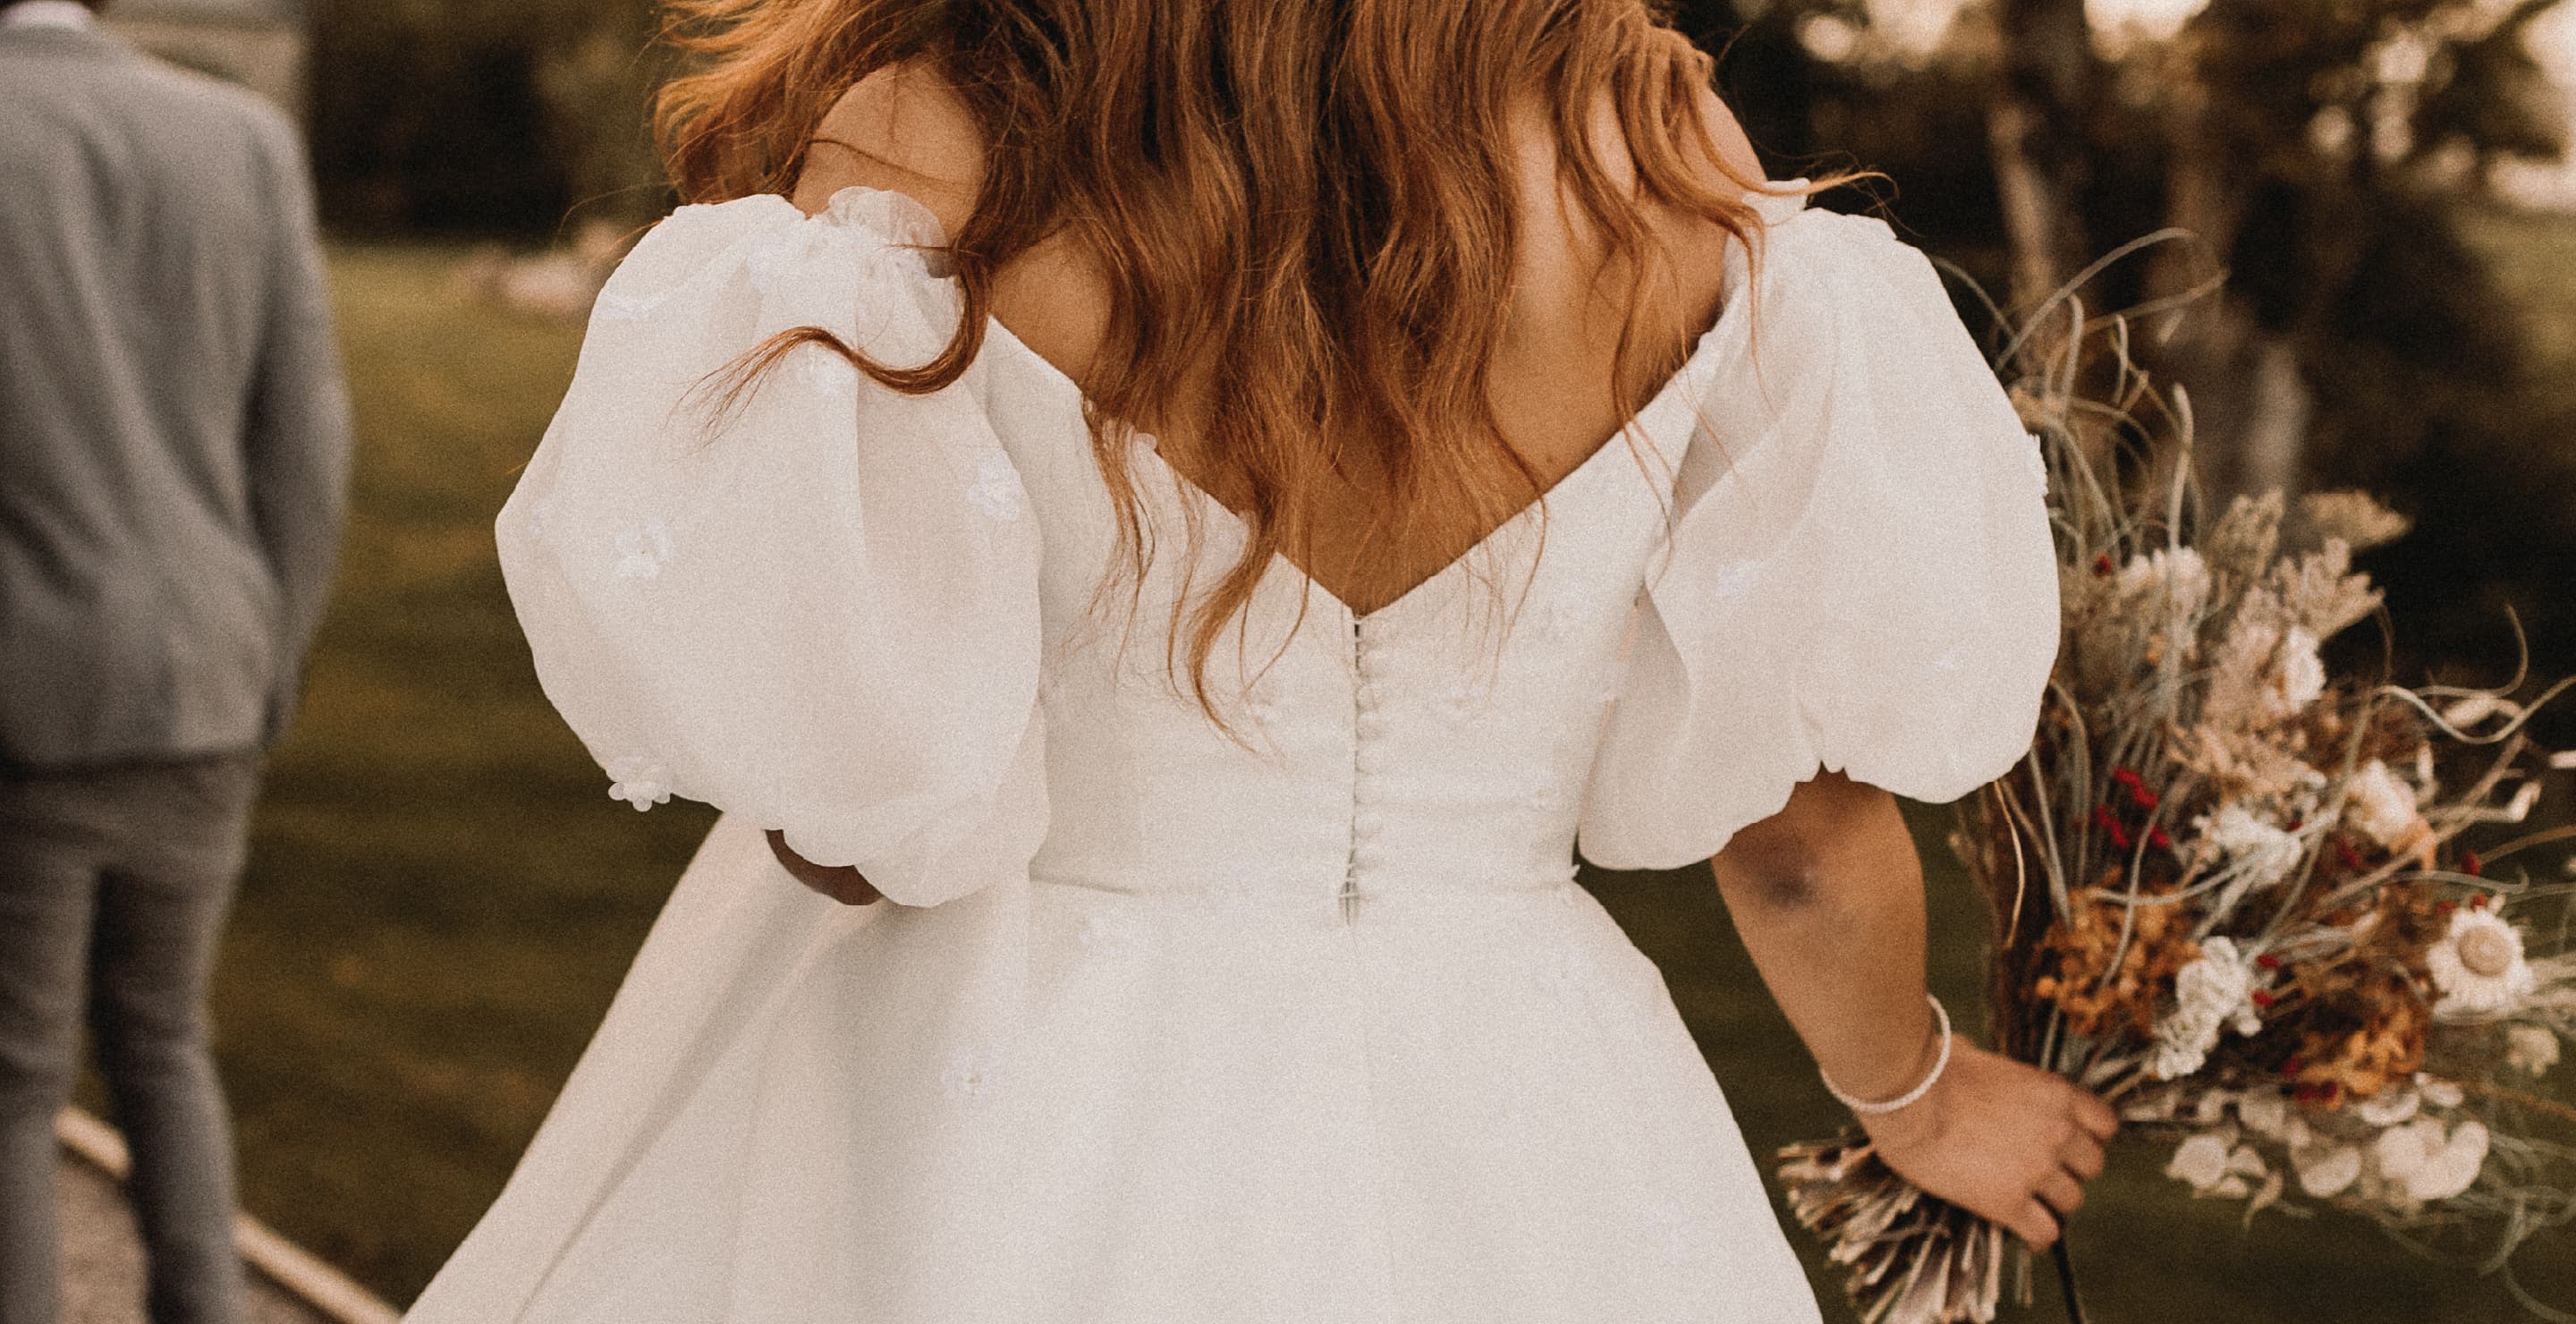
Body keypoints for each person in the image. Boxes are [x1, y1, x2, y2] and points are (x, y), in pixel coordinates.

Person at [405, 2, 2109, 1320]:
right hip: (1520, 1081)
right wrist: (1922, 1093)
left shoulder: (932, 123)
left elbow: (843, 833)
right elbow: (1804, 841)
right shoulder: (1654, 141)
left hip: (989, 1074)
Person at [0, 2, 352, 1321]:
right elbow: (306, 444)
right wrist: (269, 664)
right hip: (212, 675)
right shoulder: (242, 137)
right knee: (162, 1039)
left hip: (28, 704)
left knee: (15, 1081)